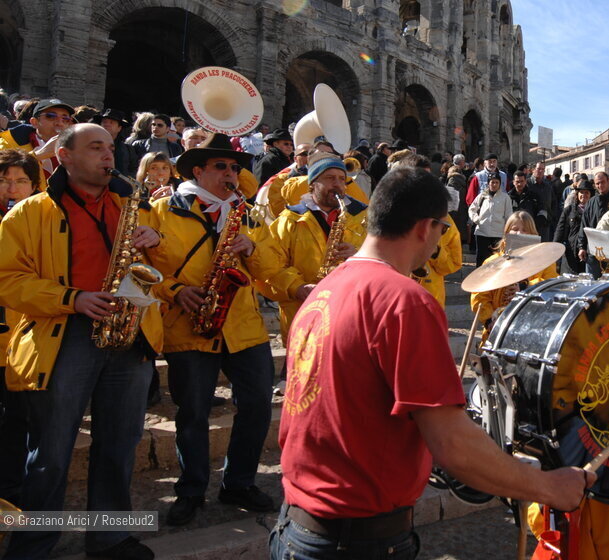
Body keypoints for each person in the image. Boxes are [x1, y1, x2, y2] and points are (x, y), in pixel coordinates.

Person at [270, 167, 592, 560]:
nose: (440, 239)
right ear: (425, 227)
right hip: (354, 541)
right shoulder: (403, 300)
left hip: (297, 524)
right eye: (442, 229)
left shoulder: (326, 287)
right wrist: (548, 487)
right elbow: (451, 443)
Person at [0, 124, 162, 560]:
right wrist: (72, 299)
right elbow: (7, 281)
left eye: (110, 148)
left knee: (119, 445)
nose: (109, 157)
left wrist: (155, 241)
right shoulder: (28, 212)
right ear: (65, 157)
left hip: (126, 332)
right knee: (50, 453)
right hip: (64, 333)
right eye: (95, 148)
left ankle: (110, 537)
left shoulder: (133, 206)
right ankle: (31, 546)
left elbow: (159, 270)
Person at [144, 133, 297, 527]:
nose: (231, 174)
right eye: (221, 167)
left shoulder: (246, 212)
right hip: (189, 324)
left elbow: (268, 270)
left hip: (243, 325)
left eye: (234, 167)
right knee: (192, 413)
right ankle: (191, 489)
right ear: (198, 170)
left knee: (258, 406)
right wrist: (175, 292)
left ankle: (239, 482)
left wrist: (252, 248)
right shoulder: (163, 209)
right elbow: (144, 272)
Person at [256, 152, 367, 394]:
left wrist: (358, 255)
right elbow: (268, 267)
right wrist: (297, 287)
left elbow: (387, 259)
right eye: (329, 178)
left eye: (341, 178)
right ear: (312, 183)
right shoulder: (289, 219)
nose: (337, 184)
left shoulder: (363, 216)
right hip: (303, 312)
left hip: (351, 313)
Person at [0, 148, 41, 507]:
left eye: (20, 181)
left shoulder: (40, 222)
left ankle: (11, 498)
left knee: (17, 424)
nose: (11, 188)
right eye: (4, 180)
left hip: (23, 342)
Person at [389, 153, 462, 307]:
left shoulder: (443, 218)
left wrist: (435, 251)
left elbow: (454, 263)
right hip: (392, 299)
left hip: (430, 300)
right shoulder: (384, 214)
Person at [470, 212, 558, 329]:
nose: (519, 233)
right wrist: (489, 319)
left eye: (525, 230)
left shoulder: (546, 262)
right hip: (497, 327)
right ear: (506, 234)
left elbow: (552, 289)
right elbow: (480, 296)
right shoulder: (492, 262)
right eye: (514, 229)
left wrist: (525, 287)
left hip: (532, 326)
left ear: (533, 234)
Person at [0, 98, 75, 187]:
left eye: (65, 119)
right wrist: (39, 155)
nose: (59, 123)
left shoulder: (75, 147)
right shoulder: (10, 142)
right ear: (34, 122)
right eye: (50, 116)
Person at [469, 174, 513, 265]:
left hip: (498, 234)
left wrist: (507, 231)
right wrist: (476, 219)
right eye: (492, 182)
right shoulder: (482, 196)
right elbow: (472, 209)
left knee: (497, 260)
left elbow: (509, 215)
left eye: (497, 182)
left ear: (500, 184)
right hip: (482, 232)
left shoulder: (505, 198)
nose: (494, 184)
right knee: (481, 260)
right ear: (488, 183)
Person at [554, 180, 593, 274]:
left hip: (588, 252)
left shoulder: (593, 210)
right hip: (570, 253)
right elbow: (560, 229)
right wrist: (554, 248)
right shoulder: (569, 210)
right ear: (577, 194)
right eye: (581, 192)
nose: (584, 195)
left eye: (587, 192)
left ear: (591, 195)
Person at [94, 108, 138, 177]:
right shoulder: (92, 146)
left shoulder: (128, 150)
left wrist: (124, 180)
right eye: (104, 122)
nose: (107, 124)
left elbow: (134, 169)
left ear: (119, 128)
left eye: (111, 122)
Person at [446, 154, 469, 237]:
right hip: (460, 206)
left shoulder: (453, 179)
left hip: (455, 208)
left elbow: (451, 194)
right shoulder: (460, 177)